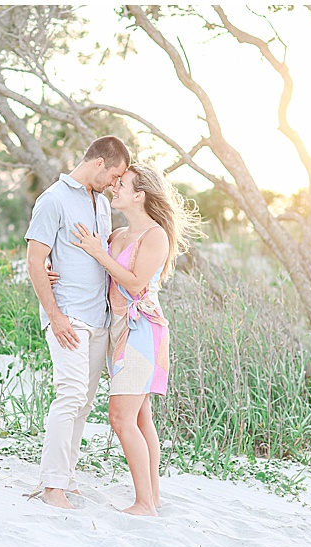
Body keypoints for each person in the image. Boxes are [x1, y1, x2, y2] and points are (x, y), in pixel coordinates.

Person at [67, 162, 199, 516]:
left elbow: (136, 283)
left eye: (122, 184)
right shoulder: (118, 234)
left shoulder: (155, 236)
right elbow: (99, 275)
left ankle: (143, 503)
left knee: (121, 418)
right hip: (118, 330)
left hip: (142, 331)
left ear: (140, 195)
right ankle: (151, 499)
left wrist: (98, 251)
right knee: (141, 418)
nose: (115, 187)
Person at [24, 136, 130, 510]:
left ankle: (66, 476)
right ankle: (51, 486)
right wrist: (55, 317)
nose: (116, 184)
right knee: (68, 395)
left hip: (98, 316)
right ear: (99, 163)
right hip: (67, 317)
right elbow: (35, 261)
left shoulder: (102, 203)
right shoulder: (53, 199)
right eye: (115, 175)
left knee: (83, 402)